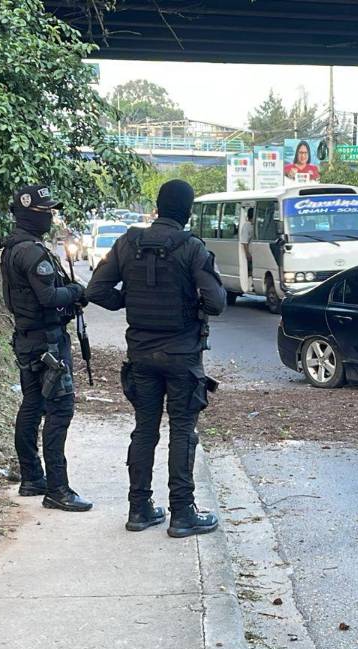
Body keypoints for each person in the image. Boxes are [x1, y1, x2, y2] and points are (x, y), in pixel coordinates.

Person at [86, 179, 227, 537]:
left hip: (141, 356)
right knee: (182, 430)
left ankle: (139, 509)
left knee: (144, 429)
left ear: (158, 207)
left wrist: (128, 300)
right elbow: (217, 302)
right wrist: (189, 305)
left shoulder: (127, 242)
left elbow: (97, 289)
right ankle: (182, 513)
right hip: (182, 356)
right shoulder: (192, 248)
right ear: (187, 211)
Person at [0, 185, 93, 512]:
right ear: (30, 213)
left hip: (27, 338)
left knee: (33, 403)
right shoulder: (32, 252)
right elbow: (50, 298)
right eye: (46, 211)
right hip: (47, 342)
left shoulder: (14, 247)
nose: (51, 216)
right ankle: (57, 488)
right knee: (60, 409)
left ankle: (32, 478)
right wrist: (77, 292)